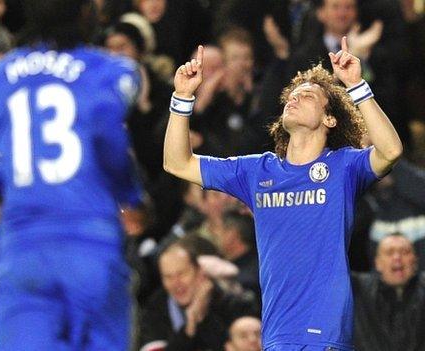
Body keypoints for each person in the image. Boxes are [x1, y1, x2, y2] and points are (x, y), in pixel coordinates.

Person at [163, 36, 403, 350]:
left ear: (329, 119)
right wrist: (182, 98)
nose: (293, 100)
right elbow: (177, 163)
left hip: (324, 333)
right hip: (276, 334)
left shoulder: (343, 167)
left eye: (307, 97)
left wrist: (357, 86)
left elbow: (390, 151)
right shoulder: (257, 171)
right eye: (291, 96)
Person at [0, 0, 144, 350]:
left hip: (24, 256)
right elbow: (108, 136)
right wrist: (129, 194)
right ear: (86, 14)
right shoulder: (112, 70)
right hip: (91, 250)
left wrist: (3, 186)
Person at [138, 235, 257, 351]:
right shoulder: (156, 307)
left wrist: (203, 313)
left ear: (200, 272)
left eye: (181, 273)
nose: (176, 283)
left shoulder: (231, 301)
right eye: (168, 277)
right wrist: (190, 325)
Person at [352, 233, 425, 351]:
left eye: (405, 252)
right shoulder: (357, 289)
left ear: (415, 260)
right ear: (377, 263)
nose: (397, 257)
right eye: (389, 252)